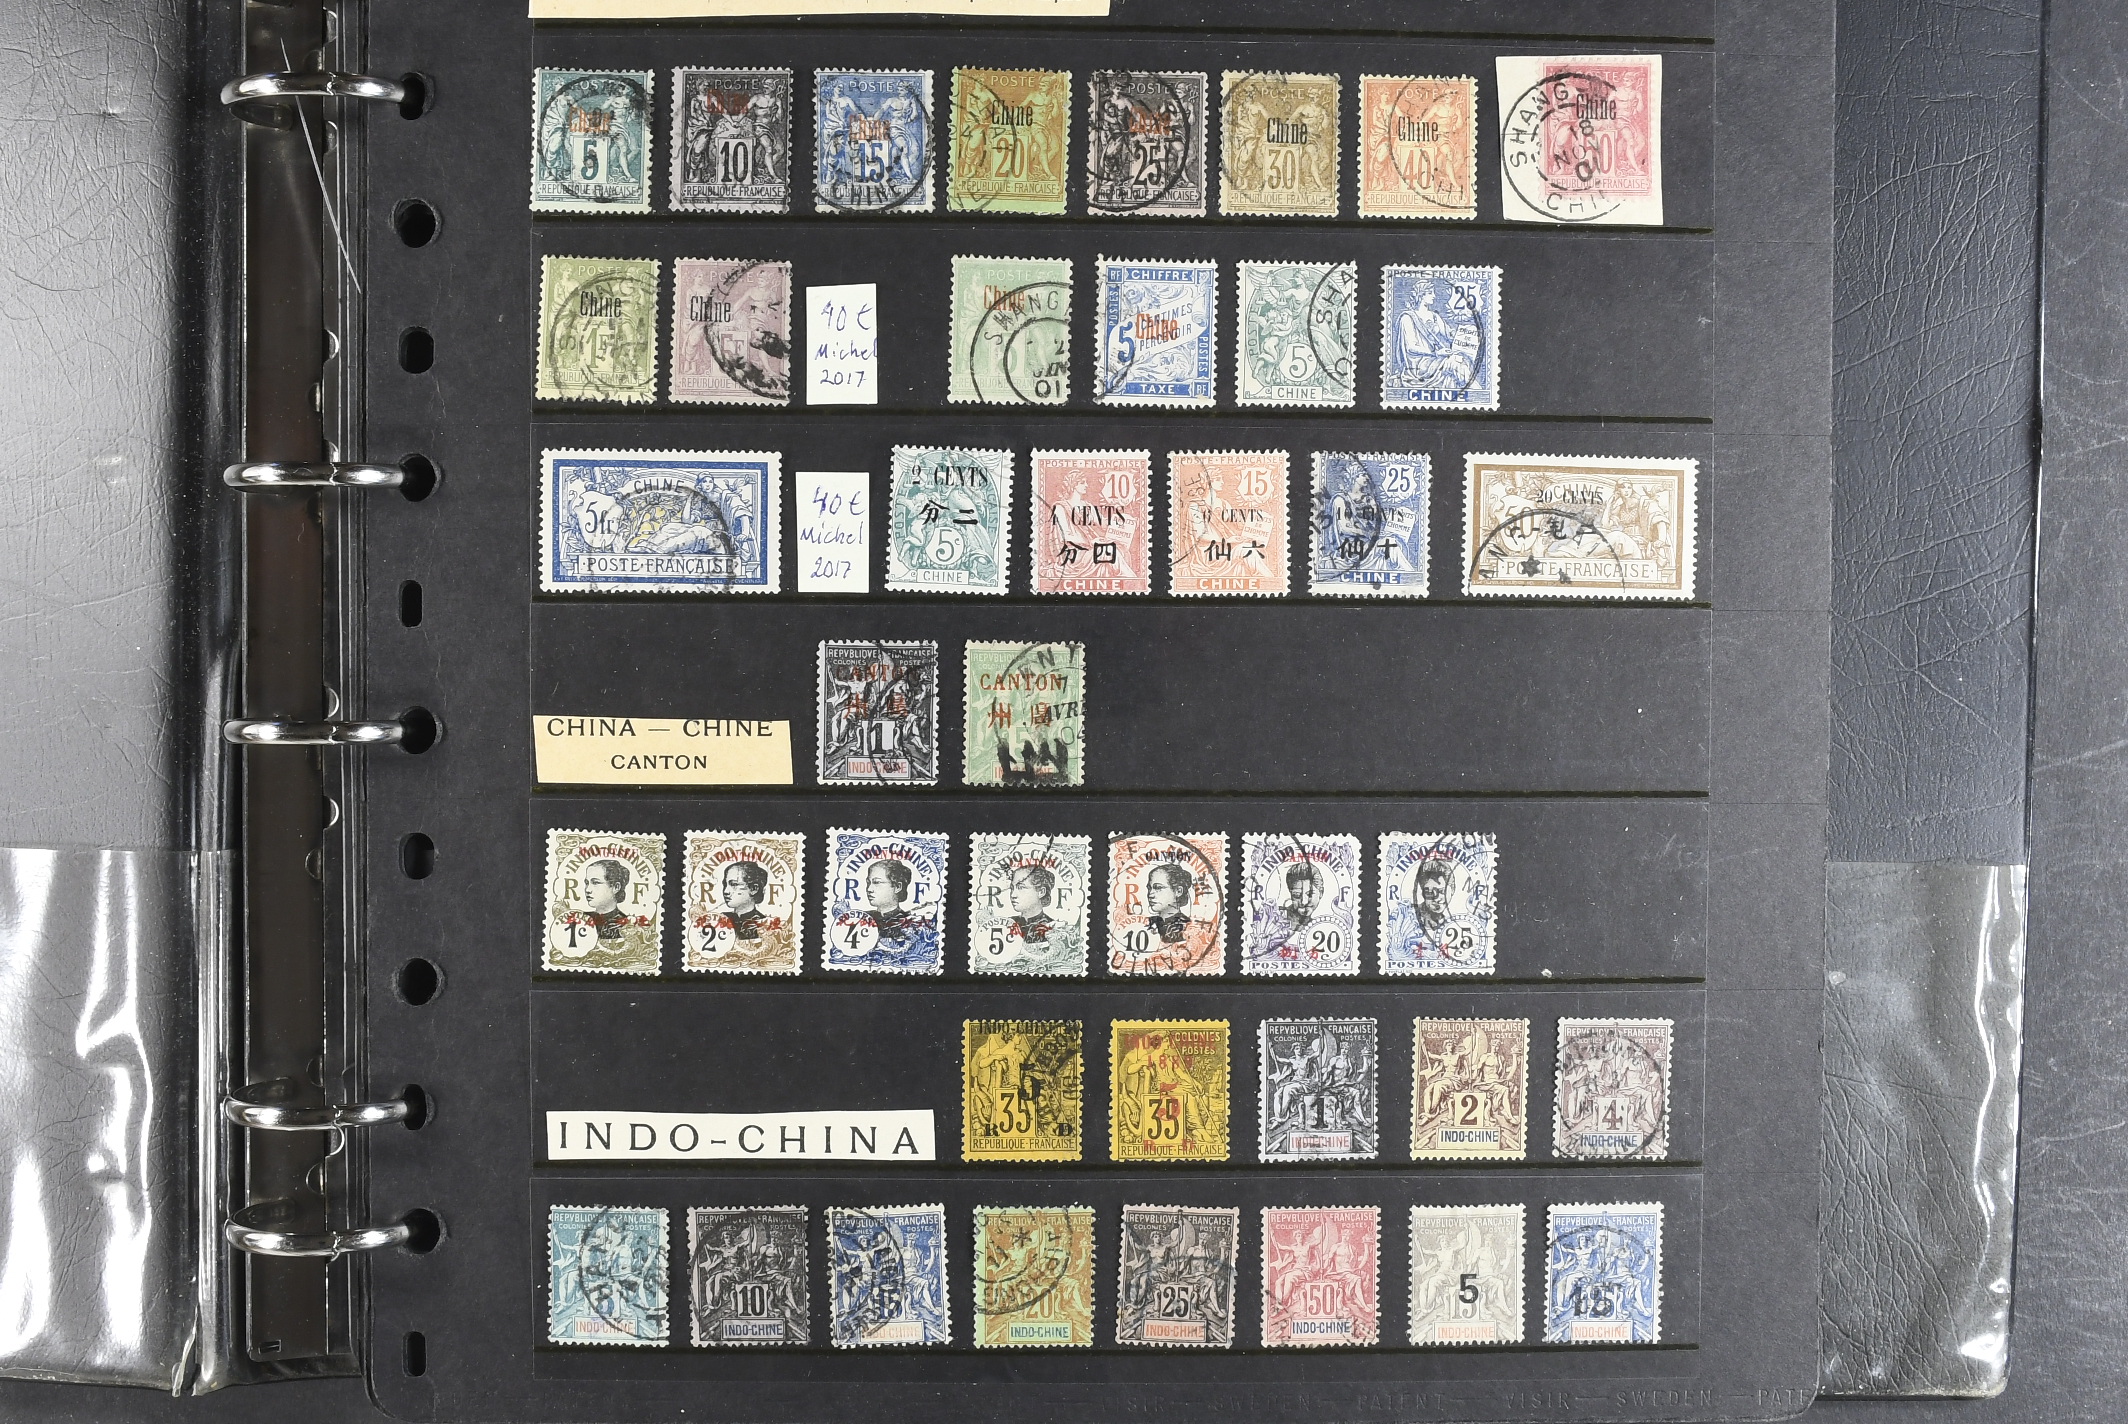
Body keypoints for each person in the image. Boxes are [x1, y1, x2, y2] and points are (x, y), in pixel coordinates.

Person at [720, 860, 777, 941]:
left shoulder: (765, 925)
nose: (726, 891)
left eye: (734, 884)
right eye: (725, 884)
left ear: (753, 889)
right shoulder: (720, 920)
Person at [864, 859, 915, 942]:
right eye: (868, 882)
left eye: (877, 882)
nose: (869, 889)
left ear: (897, 887)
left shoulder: (910, 923)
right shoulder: (863, 918)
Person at [1144, 862, 1196, 943]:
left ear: (1178, 891)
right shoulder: (1147, 923)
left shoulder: (1188, 927)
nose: (1150, 894)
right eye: (1149, 888)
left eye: (1158, 888)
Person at [1008, 863, 1057, 943]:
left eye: (1021, 888)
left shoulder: (1052, 929)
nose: (1013, 895)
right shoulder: (1007, 924)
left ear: (1041, 892)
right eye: (1012, 888)